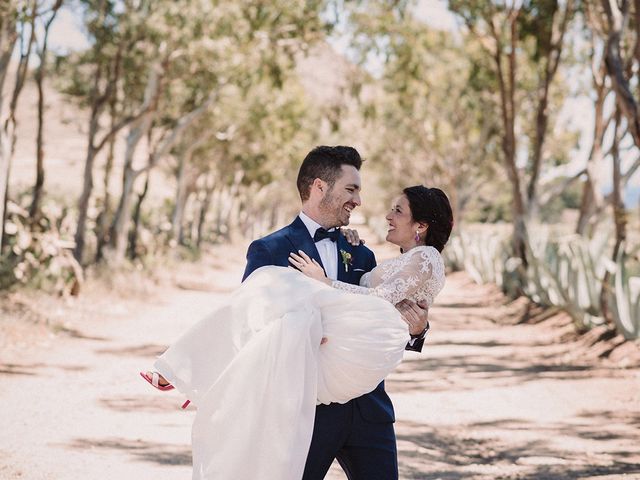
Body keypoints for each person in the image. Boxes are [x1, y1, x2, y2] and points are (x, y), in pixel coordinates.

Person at [141, 146, 453, 480]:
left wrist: (418, 332)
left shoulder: (359, 252)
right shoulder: (271, 249)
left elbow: (376, 317)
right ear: (320, 187)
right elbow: (250, 322)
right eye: (351, 189)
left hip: (367, 410)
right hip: (304, 410)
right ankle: (182, 368)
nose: (358, 201)